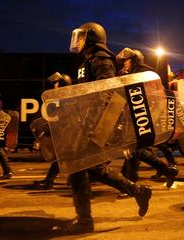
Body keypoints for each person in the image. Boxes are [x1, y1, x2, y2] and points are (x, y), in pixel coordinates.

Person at [58, 22, 152, 234]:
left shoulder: (101, 59)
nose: (78, 41)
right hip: (88, 121)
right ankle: (137, 191)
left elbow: (105, 92)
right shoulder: (89, 59)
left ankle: (85, 220)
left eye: (82, 37)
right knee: (90, 168)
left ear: (92, 38)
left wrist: (92, 123)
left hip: (96, 123)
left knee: (81, 167)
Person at [116, 47, 178, 189]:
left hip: (143, 117)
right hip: (133, 116)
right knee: (134, 150)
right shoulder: (130, 74)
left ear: (135, 60)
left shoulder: (145, 74)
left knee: (134, 150)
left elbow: (155, 96)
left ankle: (131, 183)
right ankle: (166, 171)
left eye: (127, 60)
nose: (124, 63)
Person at [33, 72, 72, 190]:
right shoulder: (61, 98)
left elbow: (65, 118)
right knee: (60, 159)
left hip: (69, 133)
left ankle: (50, 181)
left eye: (57, 83)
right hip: (65, 133)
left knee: (65, 159)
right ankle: (50, 181)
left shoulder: (68, 98)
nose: (55, 85)